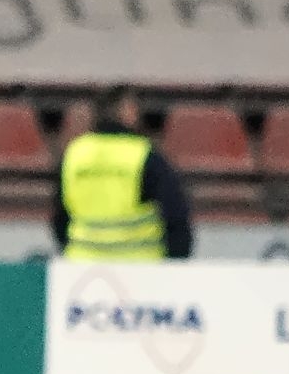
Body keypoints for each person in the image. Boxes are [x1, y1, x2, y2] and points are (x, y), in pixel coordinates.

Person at [54, 90, 193, 262]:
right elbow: (175, 216)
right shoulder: (144, 155)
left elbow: (60, 218)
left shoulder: (74, 153)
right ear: (129, 112)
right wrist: (175, 264)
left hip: (82, 265)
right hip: (138, 266)